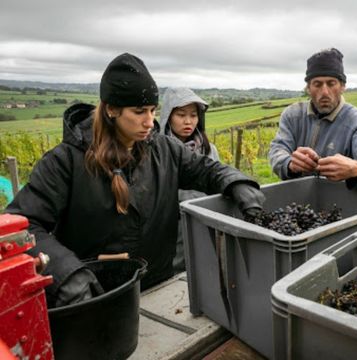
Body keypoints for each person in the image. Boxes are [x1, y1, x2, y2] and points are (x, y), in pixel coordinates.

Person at [5, 53, 265, 308]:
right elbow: (21, 227)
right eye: (139, 111)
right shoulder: (65, 162)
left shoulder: (165, 150)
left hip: (158, 289)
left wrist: (236, 183)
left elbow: (206, 169)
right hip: (94, 297)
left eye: (152, 110)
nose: (149, 121)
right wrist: (67, 273)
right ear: (111, 110)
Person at [268, 48, 357, 188]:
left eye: (331, 83)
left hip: (341, 200)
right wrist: (290, 163)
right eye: (317, 84)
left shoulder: (356, 120)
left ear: (342, 86)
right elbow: (277, 150)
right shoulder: (292, 115)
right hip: (296, 199)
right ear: (308, 88)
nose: (324, 92)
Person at [159, 87, 220, 273]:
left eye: (193, 115)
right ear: (168, 116)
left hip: (205, 225)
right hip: (171, 231)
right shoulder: (158, 151)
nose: (188, 121)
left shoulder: (209, 150)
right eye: (181, 114)